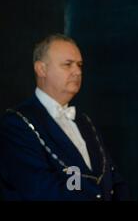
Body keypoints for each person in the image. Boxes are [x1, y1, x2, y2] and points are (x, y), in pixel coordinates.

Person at [0, 34, 129, 200]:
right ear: (41, 69)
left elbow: (114, 179)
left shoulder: (85, 122)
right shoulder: (16, 123)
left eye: (79, 65)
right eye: (68, 65)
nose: (77, 71)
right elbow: (40, 190)